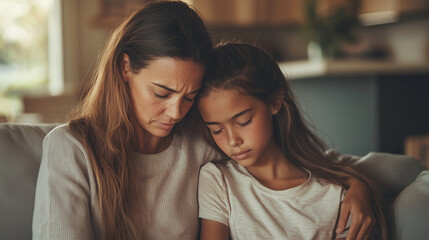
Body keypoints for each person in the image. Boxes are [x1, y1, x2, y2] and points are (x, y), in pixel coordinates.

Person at [32, 1, 376, 240]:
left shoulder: (201, 141)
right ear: (125, 68)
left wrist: (358, 186)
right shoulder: (71, 149)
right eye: (162, 93)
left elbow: (301, 162)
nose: (176, 113)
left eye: (190, 97)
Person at [197, 42, 387, 240]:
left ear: (275, 101)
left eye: (243, 122)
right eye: (216, 130)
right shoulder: (218, 179)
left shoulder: (334, 194)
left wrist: (360, 185)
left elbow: (407, 169)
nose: (232, 141)